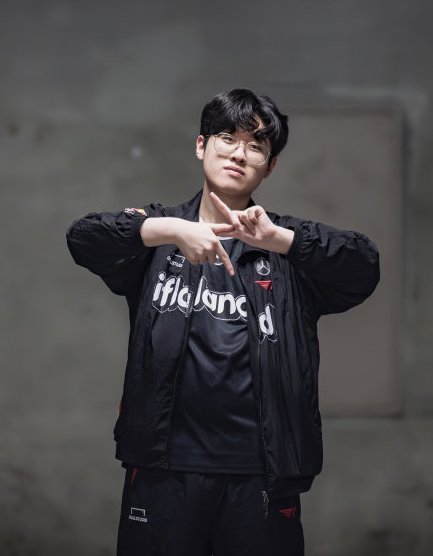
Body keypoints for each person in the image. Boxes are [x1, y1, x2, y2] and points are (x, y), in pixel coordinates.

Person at [66, 88, 380, 555]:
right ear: (201, 145)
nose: (239, 153)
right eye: (227, 138)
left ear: (270, 166)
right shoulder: (160, 235)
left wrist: (283, 241)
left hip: (261, 474)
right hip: (163, 469)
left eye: (256, 146)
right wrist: (172, 230)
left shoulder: (284, 246)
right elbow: (83, 237)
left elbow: (364, 265)